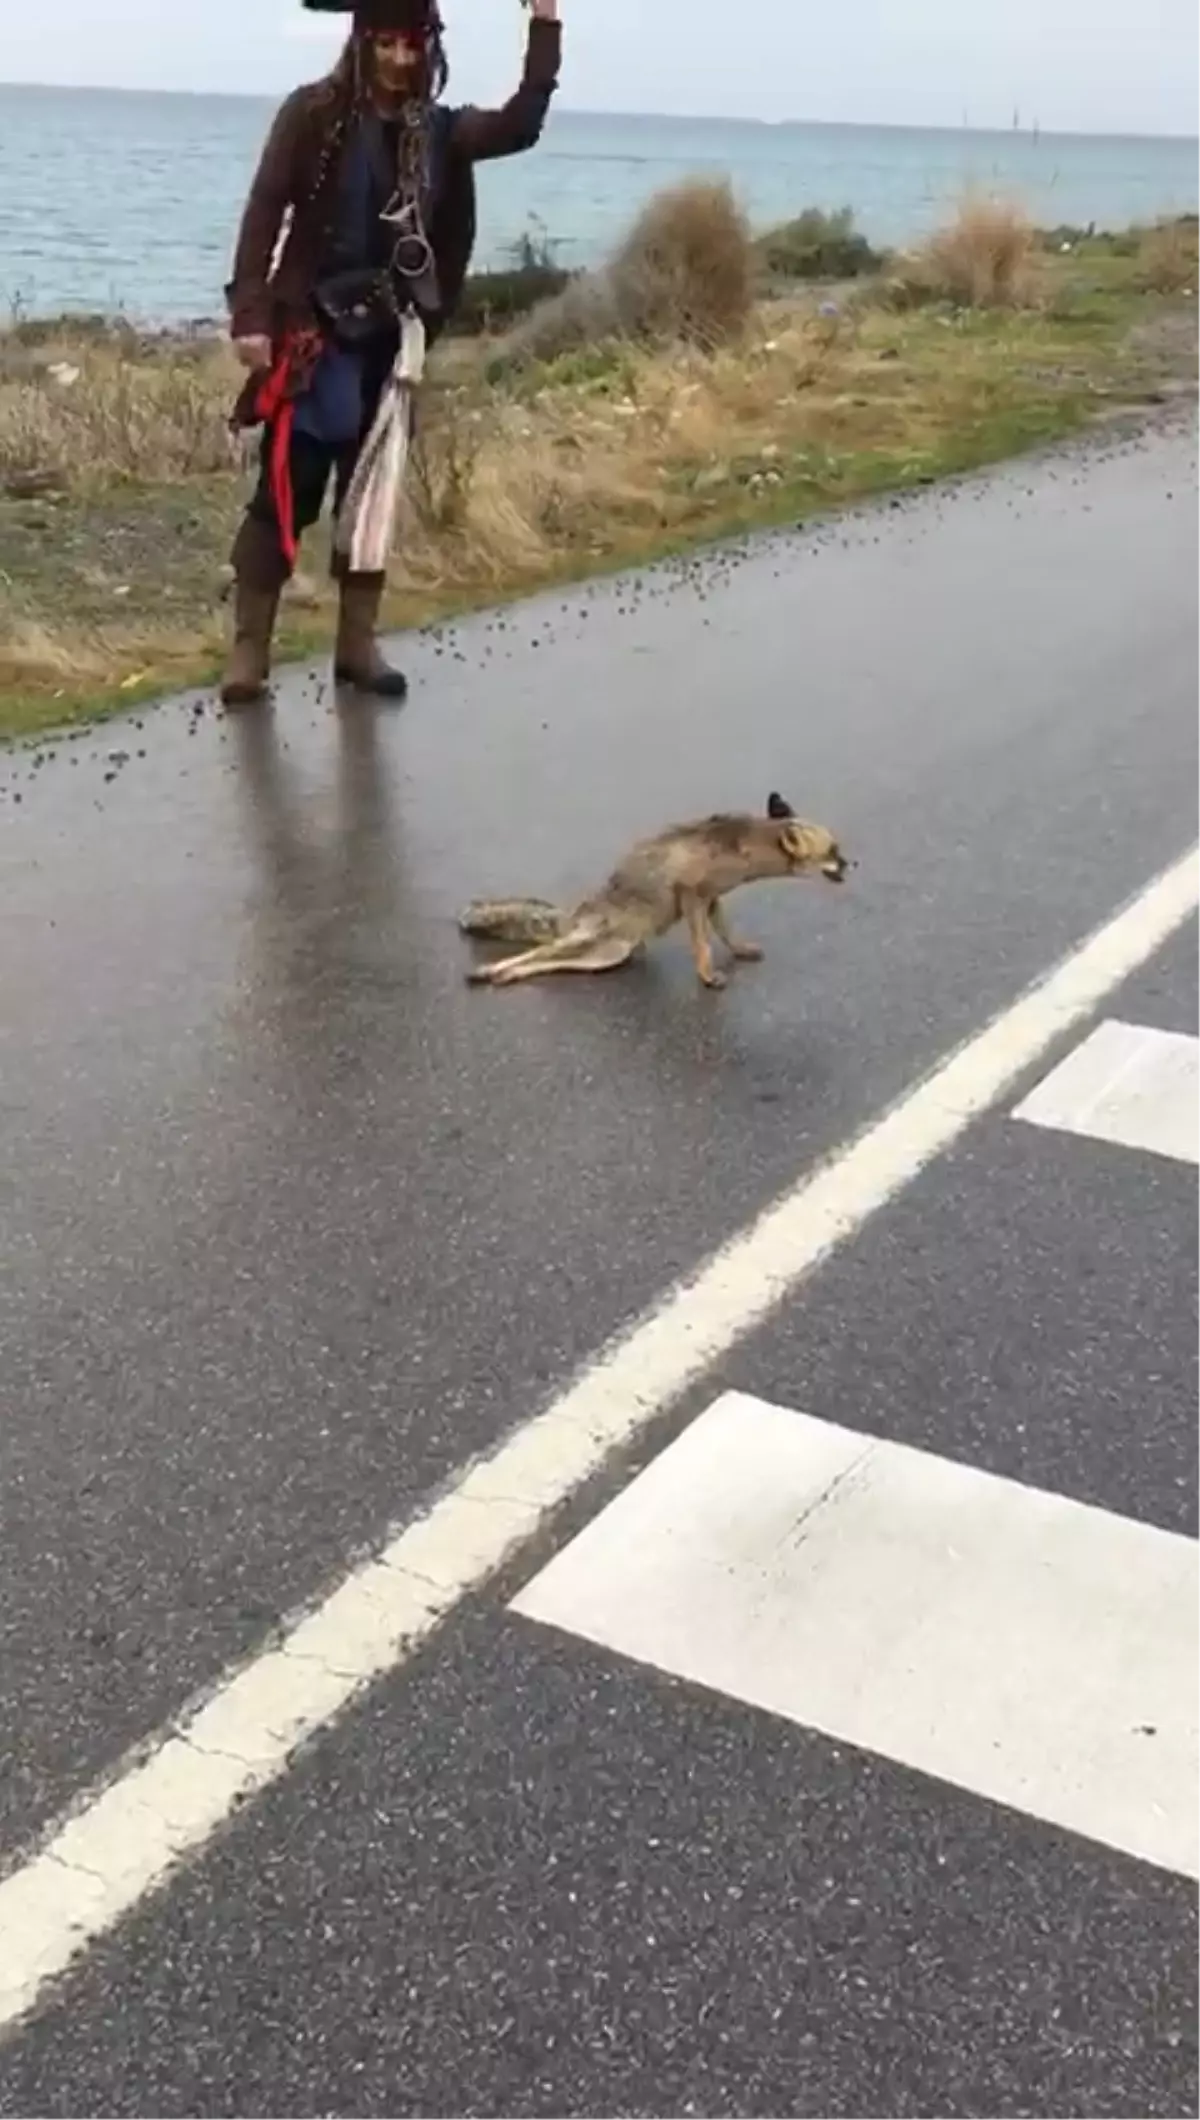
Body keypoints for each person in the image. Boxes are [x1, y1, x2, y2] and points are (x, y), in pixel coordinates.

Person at [220, 0, 562, 708]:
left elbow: (521, 125)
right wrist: (251, 314)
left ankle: (356, 646)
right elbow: (265, 208)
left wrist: (545, 23)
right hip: (312, 335)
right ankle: (250, 651)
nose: (403, 60)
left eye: (415, 45)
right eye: (389, 44)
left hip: (393, 336)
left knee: (371, 499)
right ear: (363, 42)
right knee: (288, 490)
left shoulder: (438, 132)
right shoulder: (311, 115)